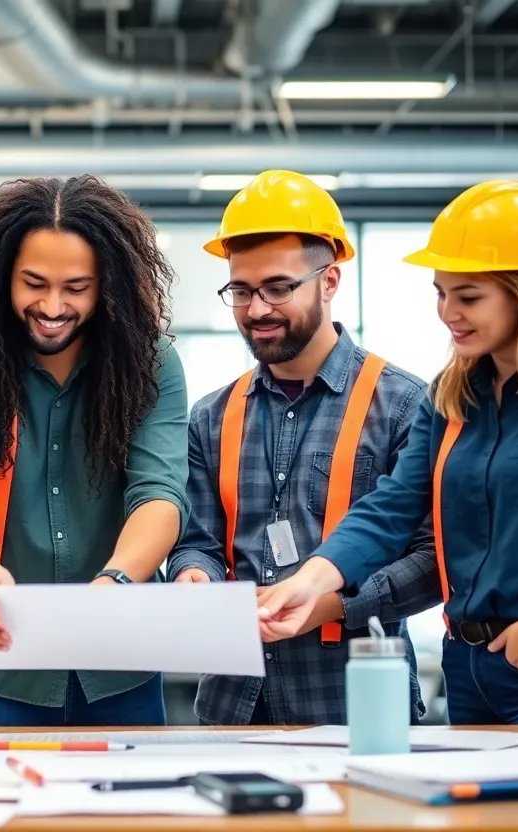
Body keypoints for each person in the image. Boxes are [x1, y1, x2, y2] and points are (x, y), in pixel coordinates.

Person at [258, 180, 518, 725]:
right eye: (441, 293)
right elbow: (393, 506)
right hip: (467, 666)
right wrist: (311, 579)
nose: (448, 313)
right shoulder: (454, 392)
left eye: (469, 297)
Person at [0, 175, 189, 727]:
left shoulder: (152, 364)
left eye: (77, 288)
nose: (53, 305)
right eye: (34, 283)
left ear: (108, 285)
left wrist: (118, 582)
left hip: (119, 668)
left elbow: (160, 494)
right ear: (1, 277)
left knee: (126, 817)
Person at [166, 170, 441, 726]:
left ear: (330, 280)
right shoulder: (212, 416)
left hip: (356, 705)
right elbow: (195, 540)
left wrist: (336, 605)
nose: (257, 309)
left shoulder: (406, 405)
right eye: (241, 291)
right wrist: (192, 576)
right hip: (232, 707)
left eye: (278, 288)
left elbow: (434, 560)